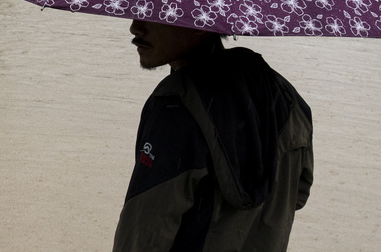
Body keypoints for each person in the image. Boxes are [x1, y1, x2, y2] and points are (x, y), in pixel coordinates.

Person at [113, 19, 313, 252]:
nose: (135, 28)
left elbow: (143, 234)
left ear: (198, 22)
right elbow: (298, 194)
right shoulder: (285, 96)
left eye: (151, 14)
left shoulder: (175, 108)